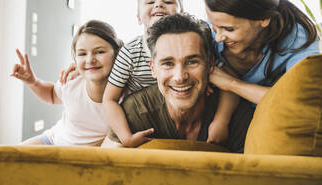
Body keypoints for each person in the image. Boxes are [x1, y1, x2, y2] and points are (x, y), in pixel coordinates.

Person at [101, 13, 254, 153]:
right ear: (153, 69)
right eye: (168, 63)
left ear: (210, 64)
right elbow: (102, 169)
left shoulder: (236, 115)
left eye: (192, 62)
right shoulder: (136, 111)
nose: (180, 77)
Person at [202, 0, 320, 119]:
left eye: (229, 29)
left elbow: (299, 102)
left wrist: (231, 84)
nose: (218, 38)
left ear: (264, 19)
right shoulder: (210, 29)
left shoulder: (298, 39)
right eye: (215, 27)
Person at [11, 20, 123, 146]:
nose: (90, 60)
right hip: (52, 141)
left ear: (117, 52)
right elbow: (52, 95)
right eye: (82, 54)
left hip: (81, 156)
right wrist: (33, 82)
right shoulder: (72, 80)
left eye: (99, 52)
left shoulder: (127, 92)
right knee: (7, 158)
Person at [102, 0, 184, 147]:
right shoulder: (131, 52)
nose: (159, 4)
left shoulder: (191, 47)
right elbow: (109, 99)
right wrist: (126, 137)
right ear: (139, 17)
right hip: (140, 119)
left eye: (168, 1)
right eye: (150, 1)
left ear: (182, 15)